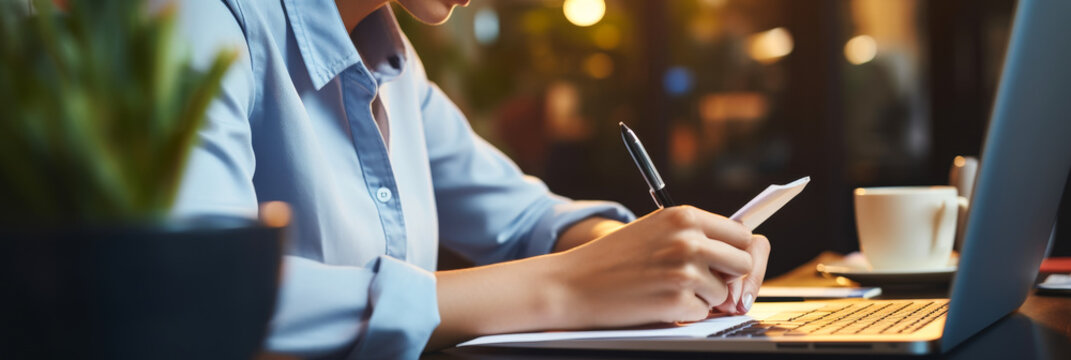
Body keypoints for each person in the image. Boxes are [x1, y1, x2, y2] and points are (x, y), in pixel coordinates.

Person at [171, 0, 770, 358]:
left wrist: (660, 260)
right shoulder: (193, 24)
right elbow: (198, 295)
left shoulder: (396, 69)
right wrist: (569, 286)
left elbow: (529, 221)